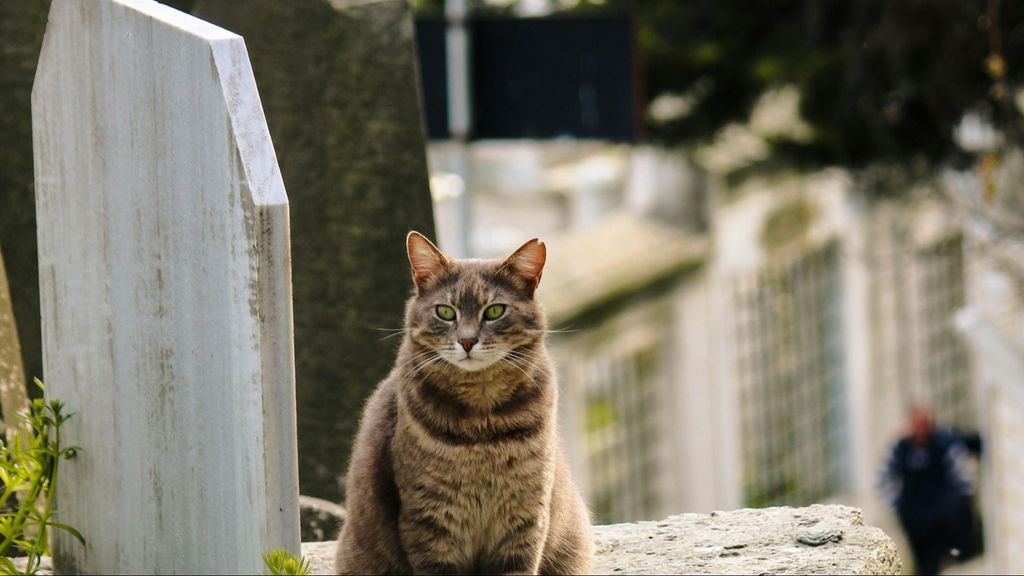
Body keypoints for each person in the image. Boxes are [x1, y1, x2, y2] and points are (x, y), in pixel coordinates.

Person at [881, 406, 982, 575]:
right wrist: (900, 509)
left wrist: (954, 508)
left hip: (945, 522)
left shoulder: (943, 445)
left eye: (924, 424)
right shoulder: (901, 450)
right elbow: (884, 481)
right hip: (917, 526)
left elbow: (963, 478)